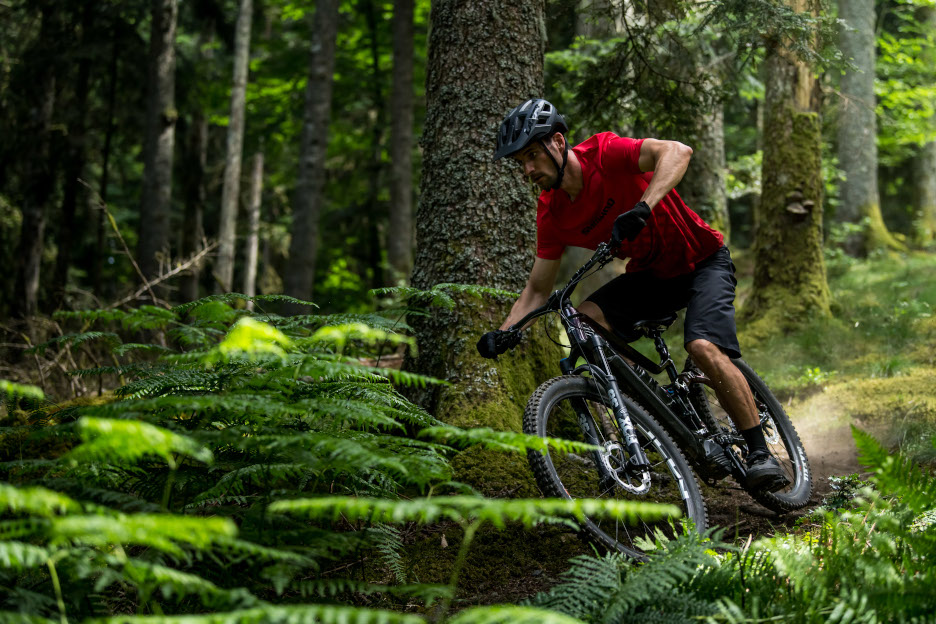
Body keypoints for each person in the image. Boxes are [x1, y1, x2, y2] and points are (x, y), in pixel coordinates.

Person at [476, 98, 787, 492]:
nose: (528, 170)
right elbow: (538, 288)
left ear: (558, 142)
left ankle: (760, 451)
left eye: (533, 156)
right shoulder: (551, 212)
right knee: (584, 322)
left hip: (702, 261)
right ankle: (659, 405)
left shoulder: (603, 154)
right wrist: (505, 331)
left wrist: (643, 206)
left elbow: (677, 151)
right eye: (520, 162)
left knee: (704, 347)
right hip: (652, 277)